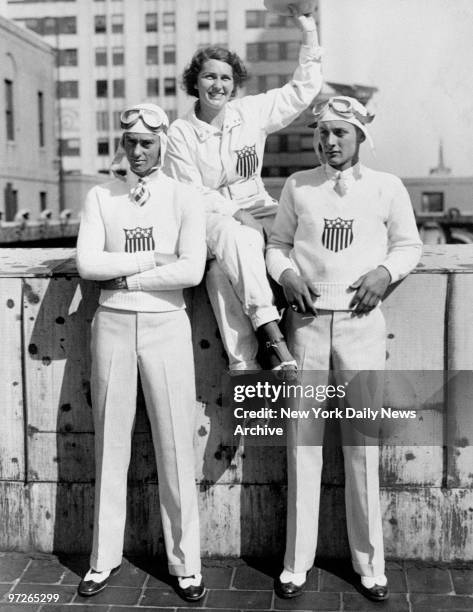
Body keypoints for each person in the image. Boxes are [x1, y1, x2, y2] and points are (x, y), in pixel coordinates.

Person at [266, 96, 422, 602]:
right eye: (324, 133)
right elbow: (277, 244)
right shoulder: (297, 186)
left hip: (361, 326)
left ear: (359, 138)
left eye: (341, 133)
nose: (330, 142)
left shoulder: (386, 187)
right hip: (307, 327)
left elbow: (409, 245)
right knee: (303, 446)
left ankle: (370, 564)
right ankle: (296, 564)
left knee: (362, 446)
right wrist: (285, 273)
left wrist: (384, 272)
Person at [76, 103, 207, 602]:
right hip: (111, 322)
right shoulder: (100, 195)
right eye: (130, 141)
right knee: (111, 443)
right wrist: (156, 257)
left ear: (163, 145)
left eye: (147, 143)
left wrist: (128, 273)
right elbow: (88, 263)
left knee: (175, 444)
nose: (138, 150)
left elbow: (191, 271)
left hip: (166, 324)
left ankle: (186, 563)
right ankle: (102, 558)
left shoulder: (184, 196)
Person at [163, 4, 323, 374]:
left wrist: (308, 31)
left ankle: (245, 364)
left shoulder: (250, 113)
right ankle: (271, 330)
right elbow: (190, 192)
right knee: (239, 239)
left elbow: (302, 90)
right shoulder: (180, 132)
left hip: (258, 207)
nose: (218, 85)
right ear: (195, 82)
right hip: (207, 217)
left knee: (221, 274)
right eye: (209, 77)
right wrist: (237, 214)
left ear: (235, 84)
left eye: (225, 78)